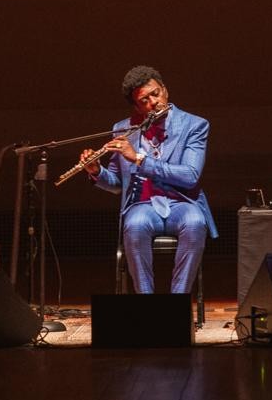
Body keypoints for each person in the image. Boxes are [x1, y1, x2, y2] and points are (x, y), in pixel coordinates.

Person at [81, 65, 217, 294]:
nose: (153, 102)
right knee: (134, 225)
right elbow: (116, 184)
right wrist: (96, 171)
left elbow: (190, 176)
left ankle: (178, 303)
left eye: (156, 93)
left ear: (165, 90)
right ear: (136, 105)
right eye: (144, 100)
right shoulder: (123, 129)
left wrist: (140, 160)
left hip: (183, 202)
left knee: (195, 223)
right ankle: (147, 305)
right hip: (143, 204)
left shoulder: (195, 125)